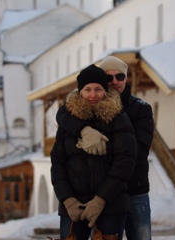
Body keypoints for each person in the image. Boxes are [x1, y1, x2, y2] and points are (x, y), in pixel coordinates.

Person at [50, 64, 137, 240]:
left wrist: (100, 200)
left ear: (105, 91)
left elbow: (125, 161)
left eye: (98, 89)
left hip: (111, 205)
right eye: (87, 89)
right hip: (74, 207)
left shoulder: (118, 118)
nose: (92, 94)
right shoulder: (68, 121)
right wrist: (68, 200)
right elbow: (57, 162)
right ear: (80, 92)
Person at [98, 56, 154, 240]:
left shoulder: (141, 109)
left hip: (134, 191)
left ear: (126, 78)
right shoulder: (93, 108)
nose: (115, 81)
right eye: (108, 77)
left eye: (120, 76)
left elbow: (138, 152)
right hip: (105, 194)